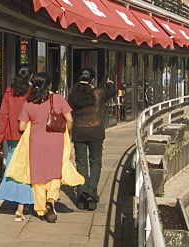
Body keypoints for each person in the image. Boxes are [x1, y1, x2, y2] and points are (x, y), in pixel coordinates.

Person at [17, 73, 74, 222]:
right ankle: (52, 200)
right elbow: (70, 120)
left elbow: (21, 127)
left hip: (36, 143)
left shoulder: (29, 103)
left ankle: (41, 209)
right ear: (49, 85)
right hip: (56, 141)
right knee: (55, 173)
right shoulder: (58, 99)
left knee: (38, 176)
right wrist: (66, 134)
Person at [67, 67, 116, 210]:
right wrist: (110, 82)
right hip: (96, 132)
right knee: (95, 162)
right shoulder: (99, 93)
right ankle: (91, 193)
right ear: (92, 80)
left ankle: (83, 197)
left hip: (79, 132)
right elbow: (111, 90)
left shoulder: (73, 95)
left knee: (81, 164)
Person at [0, 64, 34, 220]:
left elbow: (3, 117)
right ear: (31, 76)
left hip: (12, 136)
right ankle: (22, 205)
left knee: (12, 167)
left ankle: (18, 201)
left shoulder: (9, 92)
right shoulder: (33, 93)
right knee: (27, 169)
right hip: (28, 135)